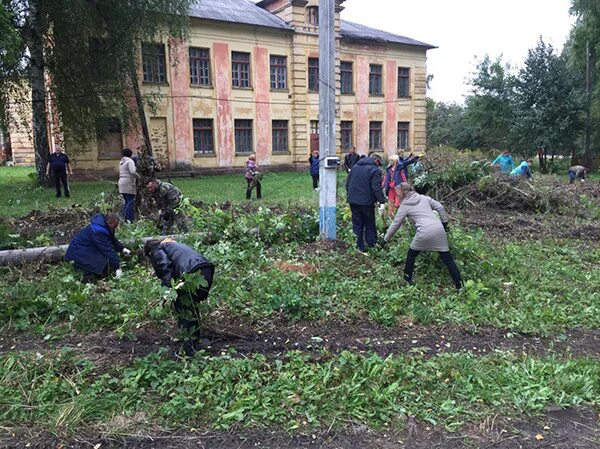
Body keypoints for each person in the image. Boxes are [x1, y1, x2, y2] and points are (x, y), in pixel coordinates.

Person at [383, 183, 462, 290]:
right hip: (439, 229)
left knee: (411, 254)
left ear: (403, 193)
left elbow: (395, 224)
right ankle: (460, 285)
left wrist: (385, 239)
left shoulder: (405, 206)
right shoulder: (424, 198)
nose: (397, 196)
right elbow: (440, 207)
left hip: (424, 232)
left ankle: (407, 278)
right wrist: (444, 224)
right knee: (447, 259)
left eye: (397, 194)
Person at [144, 238, 215, 350]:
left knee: (183, 307)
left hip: (191, 273)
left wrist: (167, 291)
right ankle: (195, 340)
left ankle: (188, 347)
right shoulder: (172, 246)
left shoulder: (157, 250)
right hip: (206, 269)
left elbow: (165, 266)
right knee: (192, 305)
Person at [65, 213, 131, 282]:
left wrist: (122, 249)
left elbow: (112, 239)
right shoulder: (99, 231)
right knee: (102, 263)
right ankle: (86, 275)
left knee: (105, 263)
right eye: (115, 225)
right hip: (78, 252)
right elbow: (107, 250)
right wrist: (117, 267)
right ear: (109, 223)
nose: (116, 227)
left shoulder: (104, 226)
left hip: (84, 248)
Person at [346, 154, 387, 252]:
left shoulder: (355, 167)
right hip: (366, 202)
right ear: (376, 161)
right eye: (379, 164)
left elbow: (348, 184)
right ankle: (372, 246)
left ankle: (358, 246)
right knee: (369, 223)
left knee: (357, 224)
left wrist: (351, 195)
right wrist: (382, 201)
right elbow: (376, 187)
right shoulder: (374, 170)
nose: (378, 166)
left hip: (353, 200)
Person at [118, 148, 138, 222]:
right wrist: (138, 176)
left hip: (121, 183)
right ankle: (130, 219)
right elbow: (132, 171)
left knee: (126, 202)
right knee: (130, 202)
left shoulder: (121, 162)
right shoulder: (130, 161)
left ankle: (125, 218)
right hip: (128, 183)